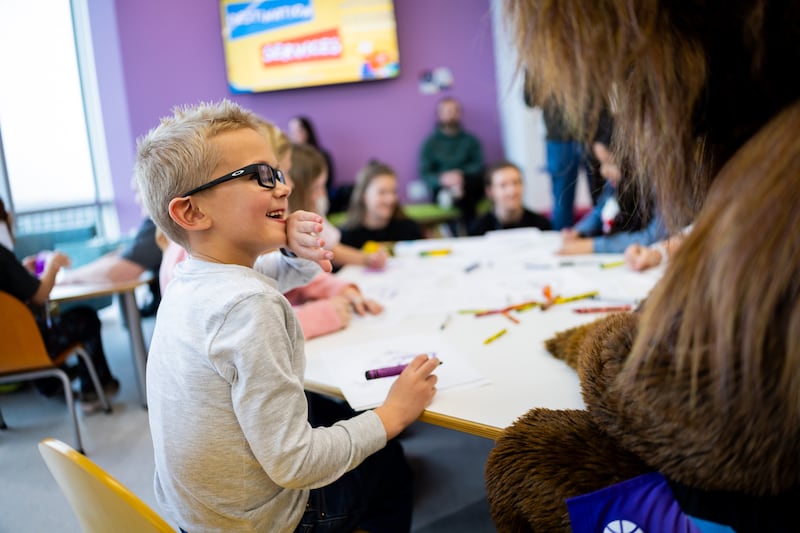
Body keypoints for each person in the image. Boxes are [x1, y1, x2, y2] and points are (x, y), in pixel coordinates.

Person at [135, 99, 440, 531]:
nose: (282, 189)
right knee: (389, 463)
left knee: (331, 417)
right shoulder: (248, 305)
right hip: (263, 522)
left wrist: (295, 248)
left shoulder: (192, 278)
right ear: (193, 211)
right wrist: (392, 415)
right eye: (260, 176)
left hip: (200, 516)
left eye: (277, 174)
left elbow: (275, 272)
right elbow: (296, 463)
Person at [0, 198, 119, 410]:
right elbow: (39, 295)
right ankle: (93, 390)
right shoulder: (2, 255)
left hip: (5, 352)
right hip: (31, 345)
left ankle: (51, 384)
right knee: (86, 317)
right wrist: (53, 265)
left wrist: (22, 271)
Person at [290, 143, 388, 270]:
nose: (322, 194)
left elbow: (331, 247)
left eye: (323, 186)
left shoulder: (314, 209)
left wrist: (368, 259)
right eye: (316, 188)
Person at [558, 142, 666, 254]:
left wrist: (593, 246)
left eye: (610, 163)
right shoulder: (614, 183)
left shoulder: (658, 186)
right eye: (601, 163)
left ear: (632, 160)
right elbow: (600, 211)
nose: (603, 172)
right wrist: (577, 231)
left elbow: (653, 238)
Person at [58, 216, 163, 316]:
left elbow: (116, 272)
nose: (138, 203)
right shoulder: (153, 224)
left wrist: (70, 277)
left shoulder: (157, 223)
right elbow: (121, 256)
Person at [418, 96, 485, 229]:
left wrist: (460, 175)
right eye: (446, 111)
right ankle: (471, 229)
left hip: (468, 183)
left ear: (459, 113)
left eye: (454, 110)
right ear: (438, 114)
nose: (450, 114)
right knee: (462, 196)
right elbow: (425, 173)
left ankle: (454, 197)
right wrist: (443, 179)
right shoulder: (430, 144)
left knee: (470, 187)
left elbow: (478, 165)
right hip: (442, 186)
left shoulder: (470, 141)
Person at [341, 160, 425, 250]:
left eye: (393, 191)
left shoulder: (409, 229)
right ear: (364, 195)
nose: (390, 199)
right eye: (382, 192)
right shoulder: (346, 237)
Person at [467, 160, 552, 236]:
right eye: (503, 185)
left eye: (516, 183)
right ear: (490, 192)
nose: (512, 191)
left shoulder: (541, 225)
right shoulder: (478, 230)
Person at [287, 115, 347, 212]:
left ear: (307, 131)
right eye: (292, 131)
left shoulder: (321, 156)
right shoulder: (288, 159)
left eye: (298, 130)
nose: (294, 135)